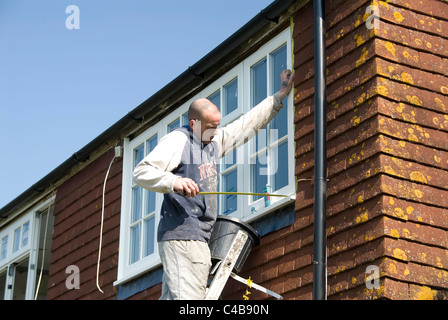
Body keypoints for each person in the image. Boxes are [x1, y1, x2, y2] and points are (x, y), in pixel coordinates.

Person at [133, 69, 294, 300]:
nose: (216, 132)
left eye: (218, 125)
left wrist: (279, 97)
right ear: (193, 123)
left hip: (200, 238)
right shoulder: (178, 141)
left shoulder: (213, 139)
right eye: (211, 126)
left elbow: (245, 125)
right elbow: (141, 172)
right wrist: (174, 181)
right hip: (182, 236)